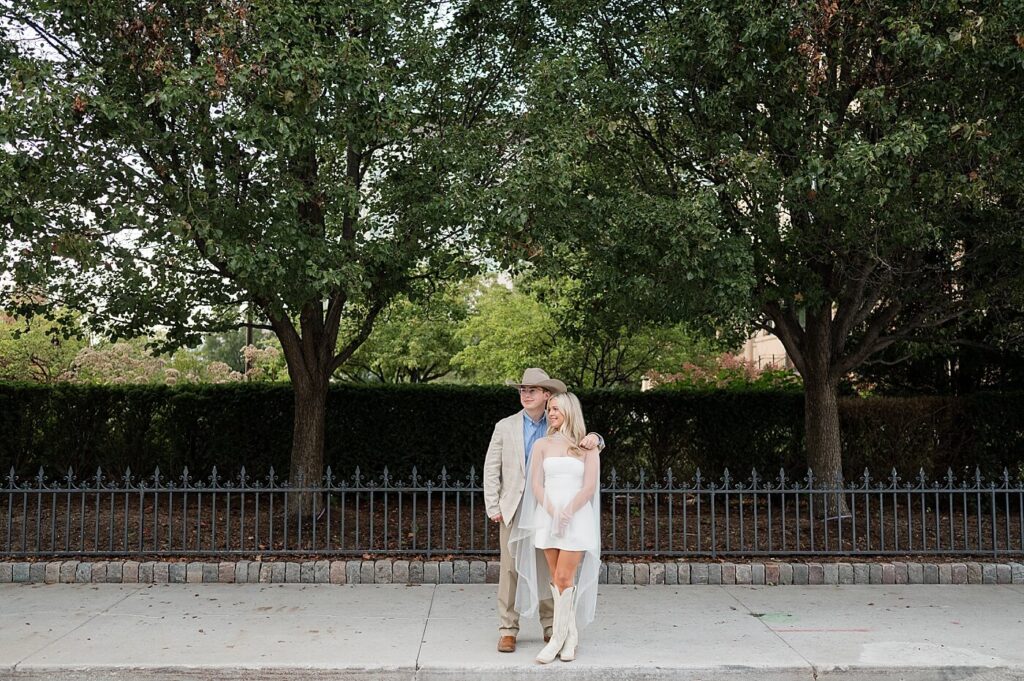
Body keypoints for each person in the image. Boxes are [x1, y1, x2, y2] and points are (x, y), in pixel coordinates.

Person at [483, 368, 603, 654]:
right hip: (514, 506)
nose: (525, 394)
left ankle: (552, 626)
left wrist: (597, 438)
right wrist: (493, 504)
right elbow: (492, 467)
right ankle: (508, 629)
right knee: (511, 569)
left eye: (532, 390)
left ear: (546, 396)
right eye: (522, 390)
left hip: (551, 507)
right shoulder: (505, 426)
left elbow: (581, 445)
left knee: (550, 569)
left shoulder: (555, 425)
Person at [509, 391, 601, 664]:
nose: (551, 413)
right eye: (549, 409)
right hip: (548, 515)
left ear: (570, 411)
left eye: (557, 408)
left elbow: (589, 486)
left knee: (563, 577)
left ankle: (556, 641)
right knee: (558, 580)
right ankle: (569, 635)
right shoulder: (542, 445)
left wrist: (568, 512)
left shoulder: (587, 446)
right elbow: (536, 484)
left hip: (576, 517)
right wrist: (552, 511)